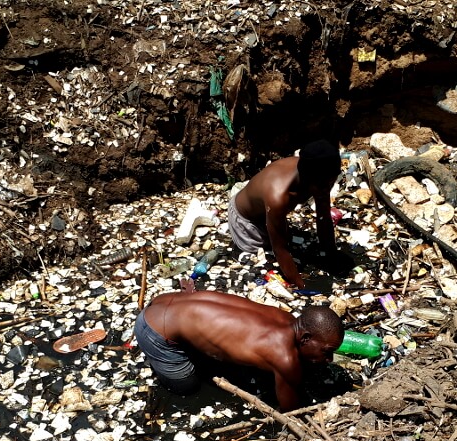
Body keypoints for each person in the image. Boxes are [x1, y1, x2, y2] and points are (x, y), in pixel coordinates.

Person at [133, 291, 344, 412]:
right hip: (154, 330)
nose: (329, 359)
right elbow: (291, 411)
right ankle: (161, 359)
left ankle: (191, 346)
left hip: (166, 301)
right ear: (305, 338)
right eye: (326, 352)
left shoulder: (288, 320)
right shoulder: (284, 357)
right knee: (187, 388)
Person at [228, 139, 342, 289]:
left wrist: (331, 255)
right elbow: (280, 249)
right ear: (307, 179)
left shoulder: (317, 173)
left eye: (331, 183)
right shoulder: (278, 196)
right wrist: (301, 286)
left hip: (268, 212)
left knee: (288, 240)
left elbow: (324, 216)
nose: (326, 189)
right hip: (246, 220)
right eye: (322, 186)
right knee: (264, 256)